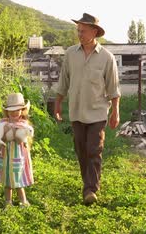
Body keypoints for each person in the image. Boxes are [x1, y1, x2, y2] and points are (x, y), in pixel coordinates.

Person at [54, 13, 121, 205]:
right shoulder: (70, 54)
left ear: (94, 32)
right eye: (78, 30)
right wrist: (58, 104)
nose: (79, 34)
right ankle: (88, 184)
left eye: (83, 30)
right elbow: (63, 81)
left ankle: (91, 189)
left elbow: (113, 88)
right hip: (76, 111)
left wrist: (115, 111)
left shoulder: (107, 58)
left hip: (98, 112)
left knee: (94, 149)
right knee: (81, 150)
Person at [0, 93, 34, 208]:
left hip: (18, 156)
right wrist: (5, 132)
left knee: (18, 180)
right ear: (7, 112)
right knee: (8, 182)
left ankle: (23, 201)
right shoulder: (3, 124)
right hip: (6, 155)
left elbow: (24, 137)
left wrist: (18, 134)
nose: (14, 113)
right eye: (11, 111)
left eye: (17, 110)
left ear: (22, 111)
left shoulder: (23, 124)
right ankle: (8, 202)